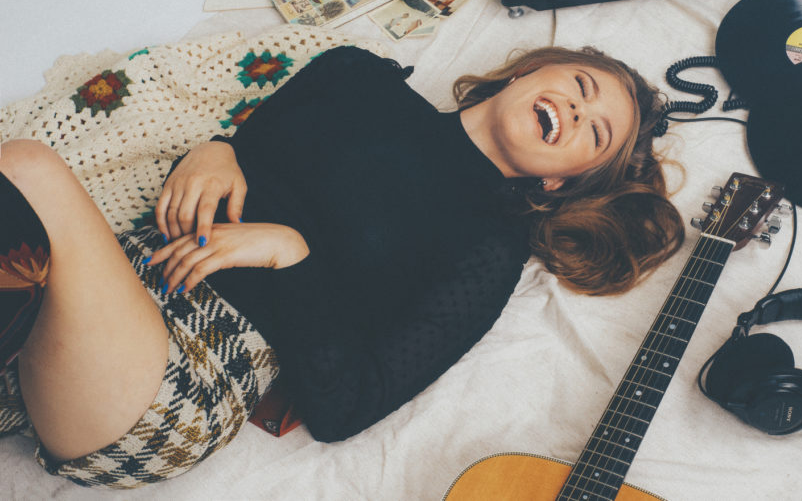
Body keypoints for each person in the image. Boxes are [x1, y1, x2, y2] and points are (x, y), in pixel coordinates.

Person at [0, 43, 685, 488]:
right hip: (106, 285)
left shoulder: (489, 251)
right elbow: (256, 144)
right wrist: (215, 148)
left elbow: (345, 405)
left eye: (595, 131)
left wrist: (288, 254)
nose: (575, 106)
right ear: (533, 70)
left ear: (560, 185)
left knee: (26, 166)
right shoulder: (355, 74)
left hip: (182, 379)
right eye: (581, 83)